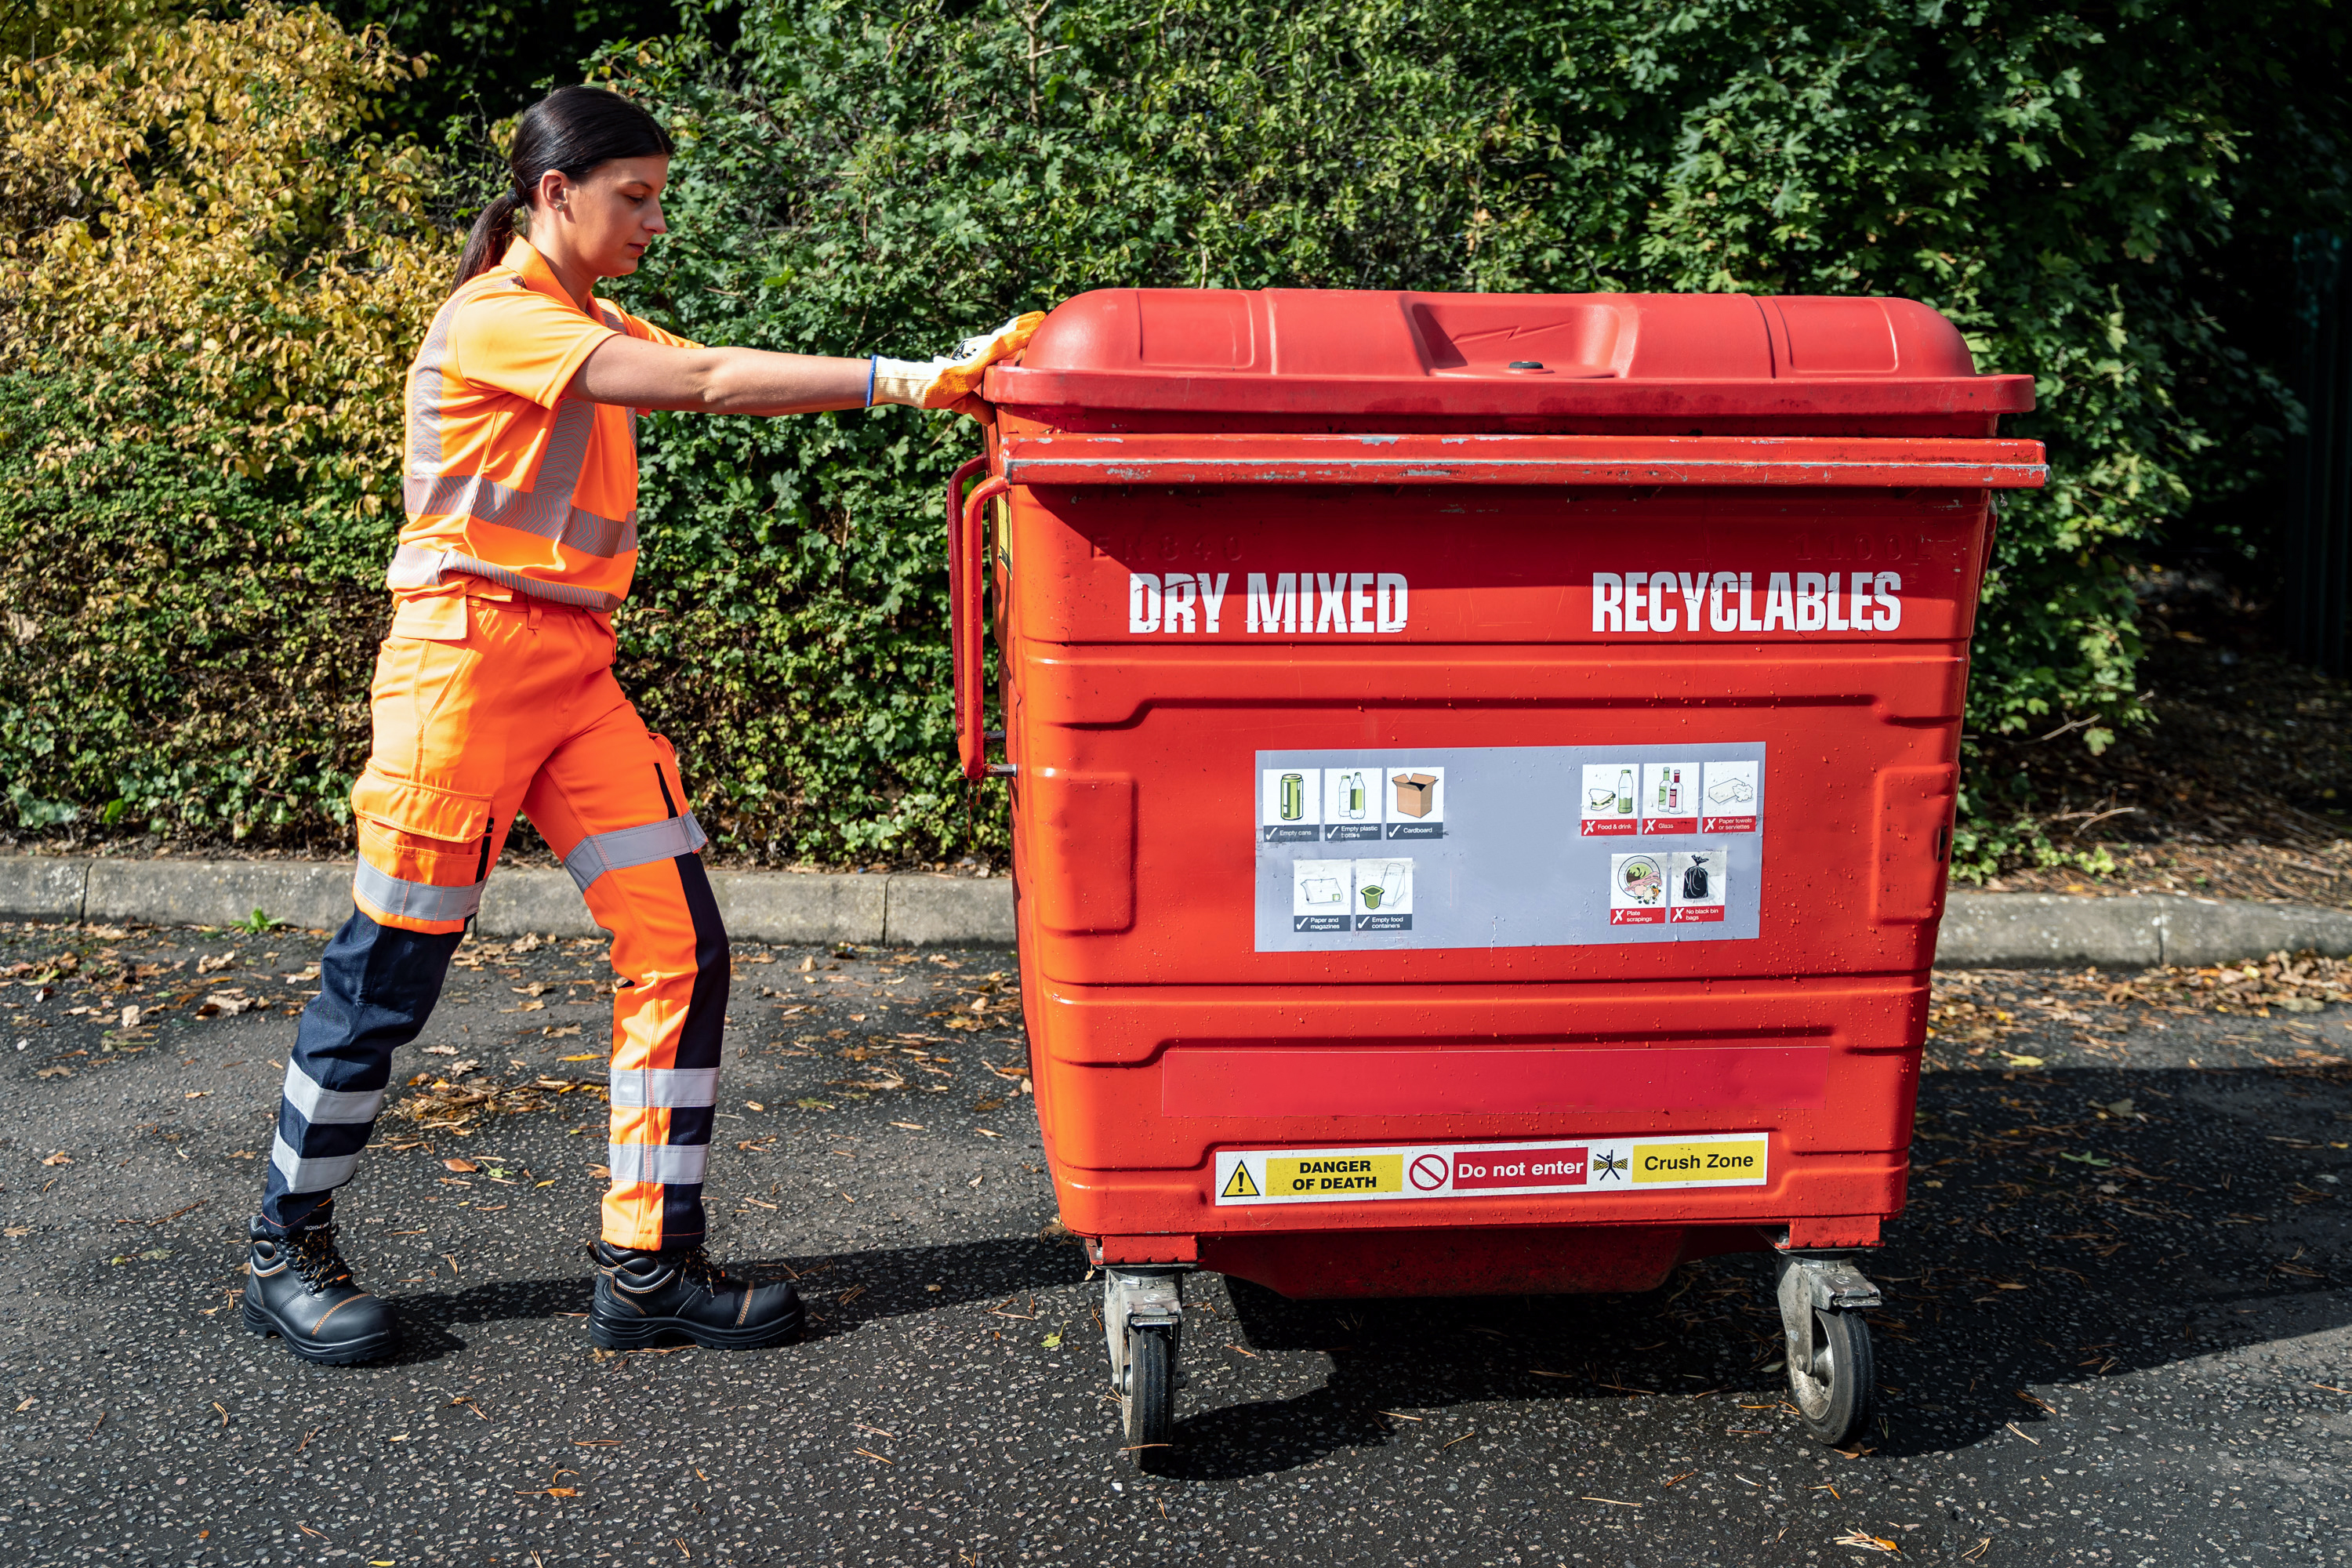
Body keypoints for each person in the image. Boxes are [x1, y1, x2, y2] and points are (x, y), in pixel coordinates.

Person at [241, 84, 1040, 1365]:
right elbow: (710, 381)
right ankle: (285, 1247)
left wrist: (957, 383)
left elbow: (731, 372)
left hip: (570, 669)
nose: (656, 221)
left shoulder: (592, 320)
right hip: (462, 668)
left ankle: (649, 1265)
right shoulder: (497, 316)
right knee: (387, 973)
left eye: (659, 197)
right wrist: (907, 379)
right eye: (637, 197)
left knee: (680, 945)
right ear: (555, 194)